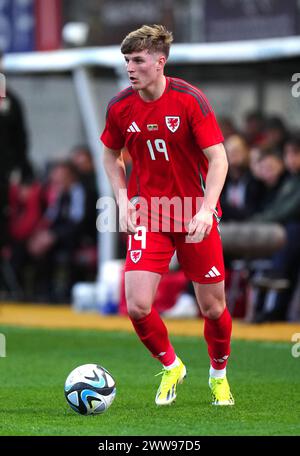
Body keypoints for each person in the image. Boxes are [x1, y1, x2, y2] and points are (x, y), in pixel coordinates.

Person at [101, 25, 234, 406]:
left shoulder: (190, 100)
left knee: (213, 308)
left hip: (194, 215)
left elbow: (218, 158)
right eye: (127, 60)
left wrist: (208, 210)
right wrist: (124, 200)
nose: (130, 67)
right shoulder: (119, 107)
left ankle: (219, 374)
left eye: (138, 60)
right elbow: (110, 155)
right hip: (149, 214)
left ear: (160, 62)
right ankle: (172, 365)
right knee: (139, 306)